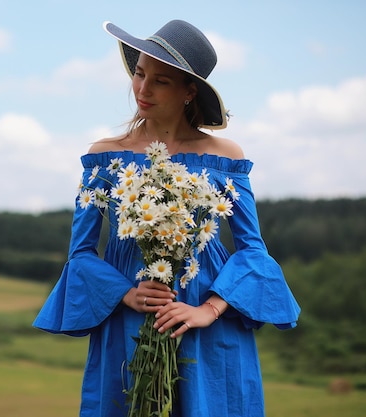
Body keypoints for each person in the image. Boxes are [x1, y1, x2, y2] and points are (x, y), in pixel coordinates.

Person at [33, 19, 300, 417]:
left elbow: (252, 250)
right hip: (129, 318)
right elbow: (81, 253)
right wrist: (125, 293)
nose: (142, 89)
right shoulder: (105, 156)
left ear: (189, 92)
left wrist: (207, 311)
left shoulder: (225, 157)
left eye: (160, 81)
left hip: (204, 323)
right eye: (139, 73)